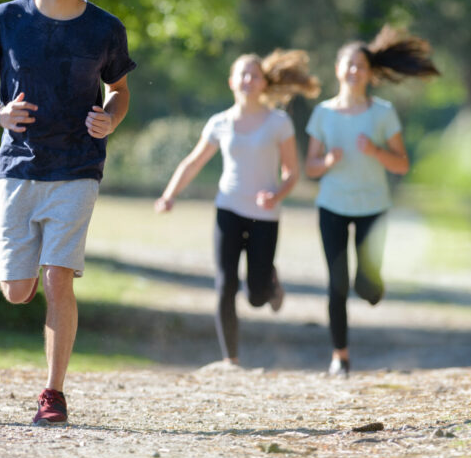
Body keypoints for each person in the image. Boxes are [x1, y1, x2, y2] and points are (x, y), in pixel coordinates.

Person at [0, 0, 136, 426]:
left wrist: (110, 117)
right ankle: (30, 272)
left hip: (78, 167)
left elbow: (121, 91)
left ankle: (53, 393)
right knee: (18, 291)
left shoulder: (104, 27)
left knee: (59, 279)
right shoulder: (5, 19)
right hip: (16, 167)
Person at [155, 51, 320, 366]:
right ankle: (231, 360)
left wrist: (277, 194)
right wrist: (169, 195)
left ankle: (269, 281)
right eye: (242, 74)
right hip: (228, 209)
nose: (248, 80)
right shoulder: (219, 122)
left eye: (254, 75)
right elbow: (193, 162)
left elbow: (292, 173)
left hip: (265, 216)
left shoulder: (278, 122)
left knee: (257, 298)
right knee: (225, 283)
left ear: (263, 83)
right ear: (232, 81)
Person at [304, 25, 438, 378]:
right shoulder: (323, 114)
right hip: (332, 206)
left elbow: (402, 163)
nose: (353, 71)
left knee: (367, 287)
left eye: (360, 66)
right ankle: (340, 356)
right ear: (337, 69)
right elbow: (311, 167)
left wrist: (375, 150)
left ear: (369, 73)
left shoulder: (382, 113)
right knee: (337, 284)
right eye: (348, 64)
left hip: (373, 207)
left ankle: (373, 283)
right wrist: (327, 162)